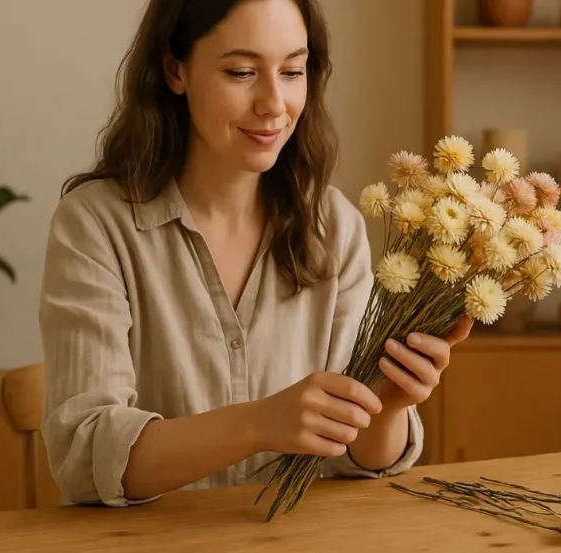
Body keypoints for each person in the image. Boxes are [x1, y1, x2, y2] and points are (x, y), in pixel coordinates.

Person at [38, 0, 473, 507]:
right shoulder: (94, 224)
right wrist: (259, 423)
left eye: (292, 71)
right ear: (174, 69)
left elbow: (358, 461)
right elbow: (85, 456)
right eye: (242, 72)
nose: (273, 104)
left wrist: (385, 404)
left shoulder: (333, 226)